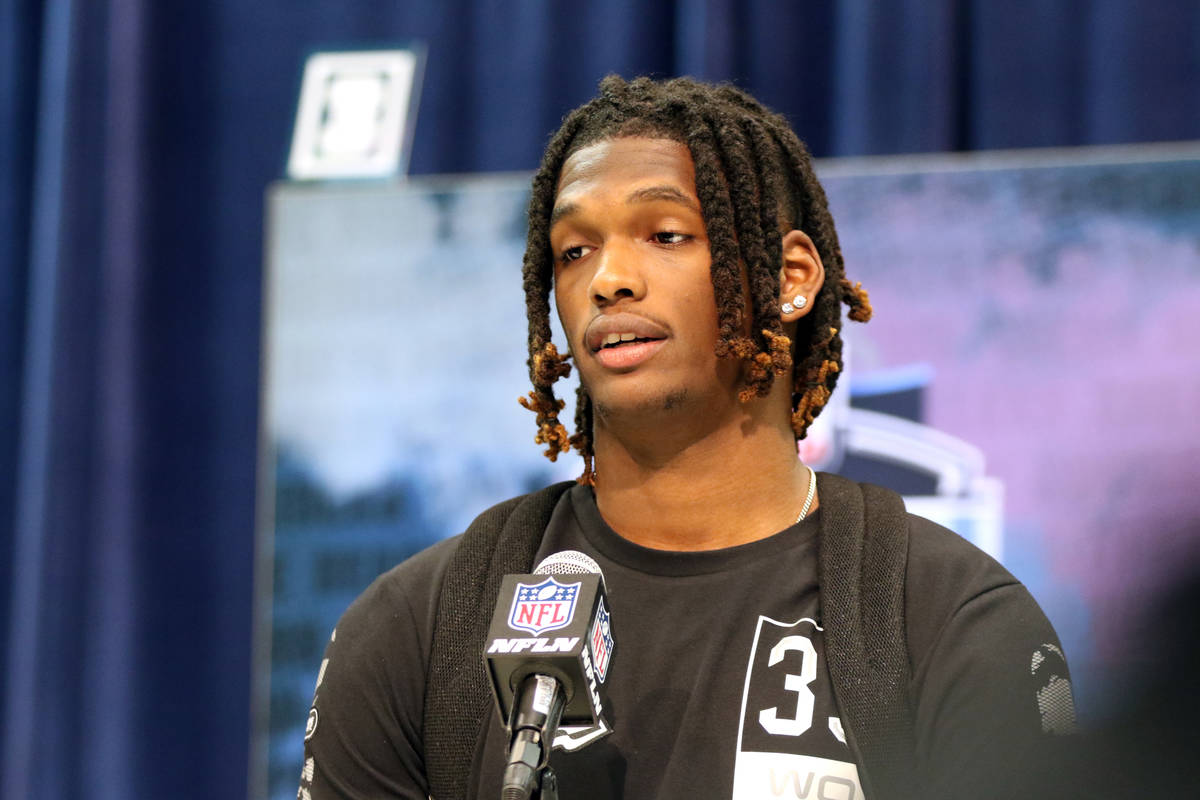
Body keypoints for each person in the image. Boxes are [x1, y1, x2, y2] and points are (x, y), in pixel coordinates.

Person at [297, 75, 1076, 800]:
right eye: (574, 251)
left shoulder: (949, 621)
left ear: (790, 277)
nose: (609, 280)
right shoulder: (419, 627)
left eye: (665, 235)